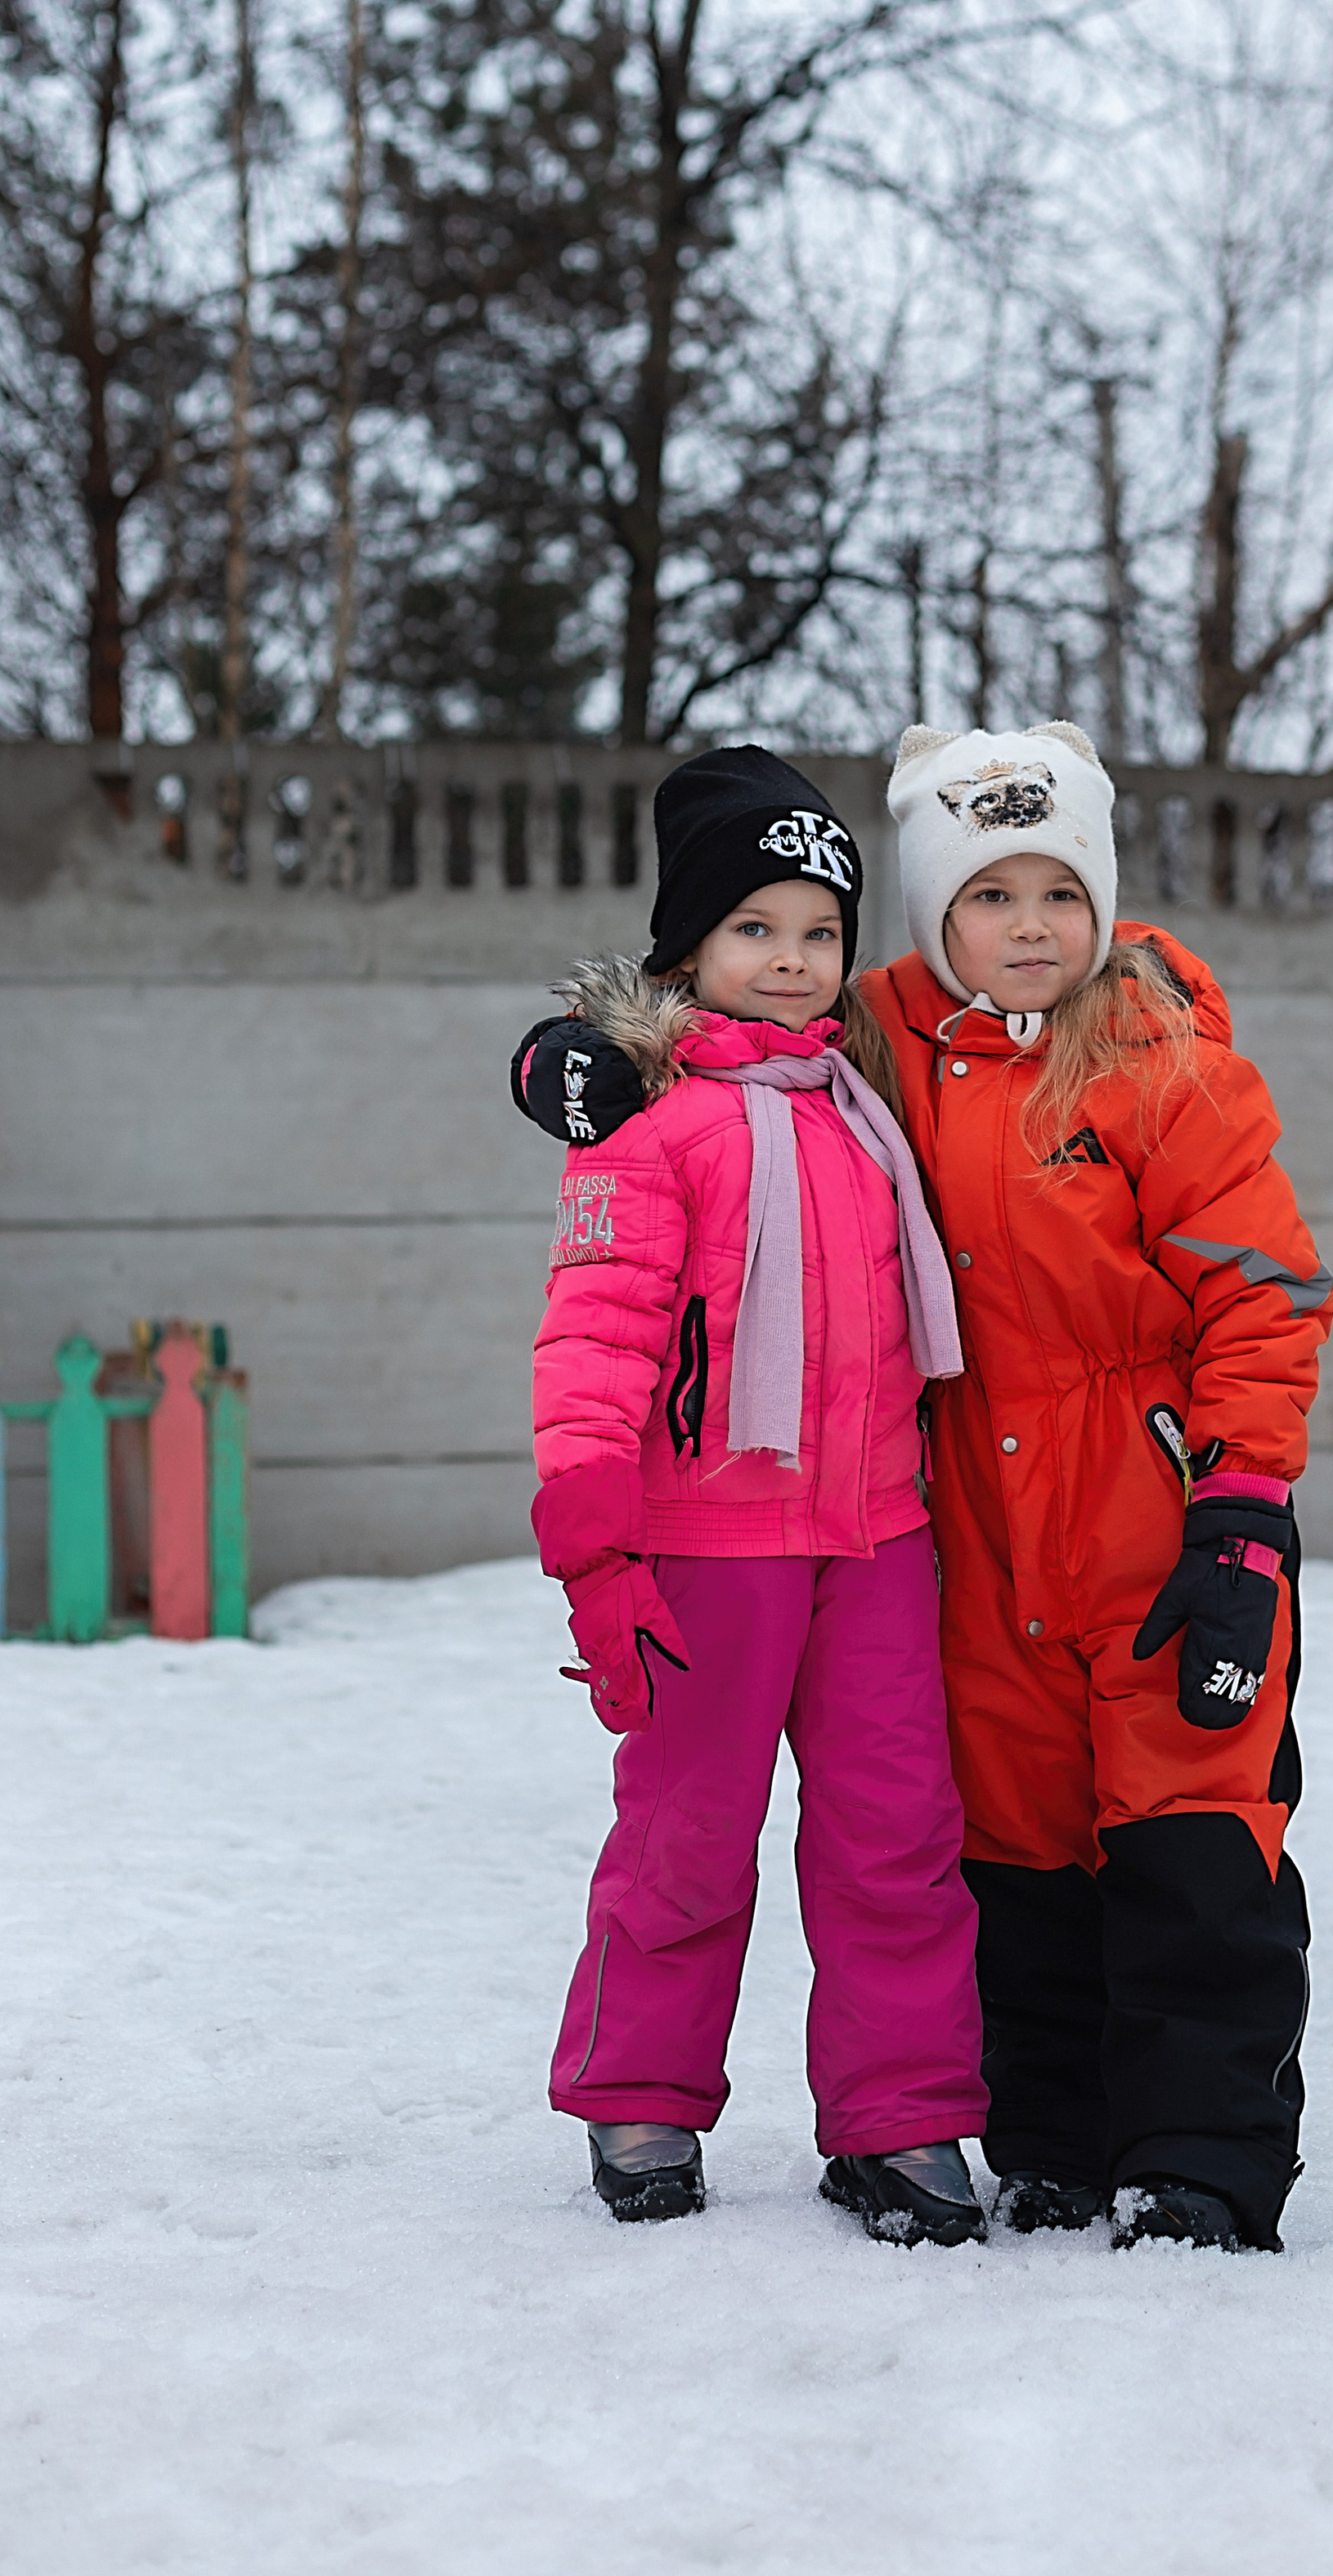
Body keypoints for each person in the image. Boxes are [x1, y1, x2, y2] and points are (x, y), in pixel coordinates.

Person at [518, 724, 1333, 2256]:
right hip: (955, 1534)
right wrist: (567, 1053)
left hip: (1136, 1526)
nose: (1026, 929)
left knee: (1186, 1845)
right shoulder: (890, 1037)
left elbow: (1266, 1296)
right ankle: (1047, 2142)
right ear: (931, 923)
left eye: (1057, 894)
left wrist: (1243, 1506)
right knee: (1004, 1853)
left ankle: (1199, 2166)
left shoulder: (1165, 1070)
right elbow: (705, 1019)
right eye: (984, 896)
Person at [517, 746, 989, 2246]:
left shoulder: (870, 1115)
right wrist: (598, 1560)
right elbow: (589, 1347)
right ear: (691, 950)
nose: (792, 963)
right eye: (755, 930)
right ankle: (640, 2096)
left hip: (874, 1542)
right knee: (688, 1834)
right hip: (707, 1548)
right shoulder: (646, 1134)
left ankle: (900, 2122)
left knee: (898, 1838)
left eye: (819, 932)